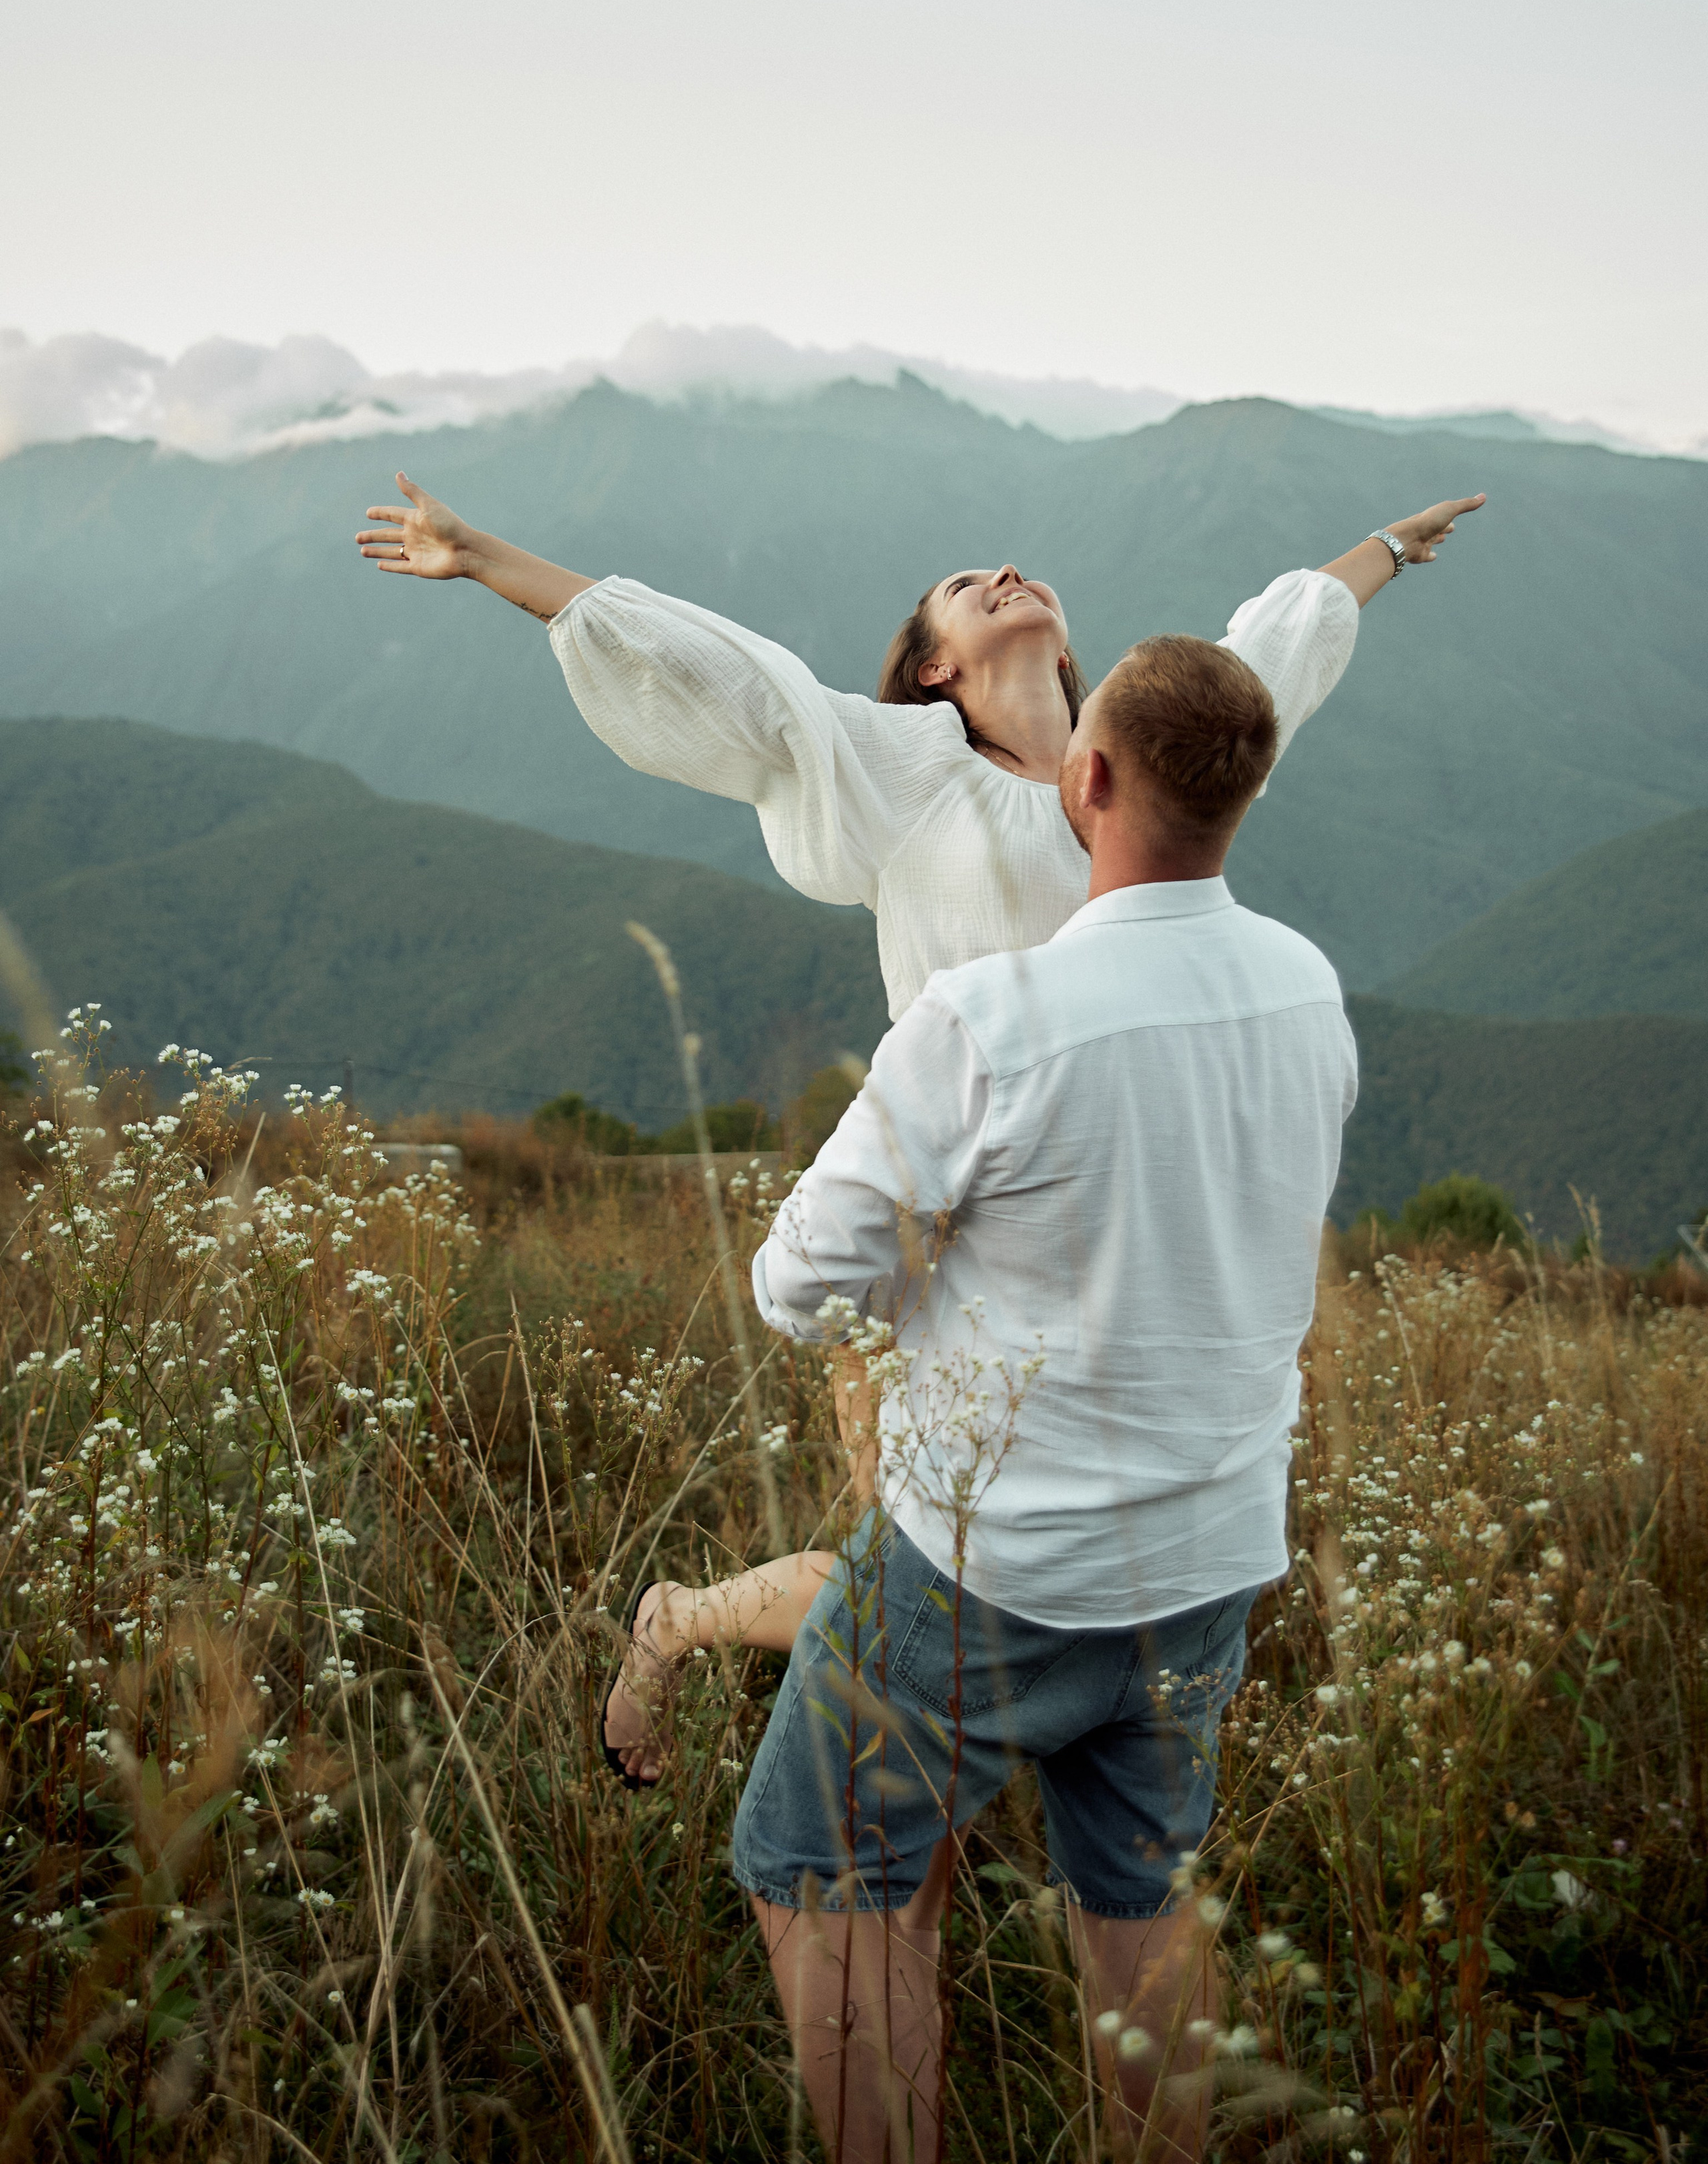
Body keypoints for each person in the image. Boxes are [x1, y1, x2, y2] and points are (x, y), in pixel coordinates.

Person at [354, 472, 1482, 1779]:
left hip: (1100, 1229)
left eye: (1012, 575)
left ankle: (815, 1702)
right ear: (935, 668)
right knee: (915, 1553)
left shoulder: (1130, 772)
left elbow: (1259, 660)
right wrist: (484, 555)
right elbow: (727, 675)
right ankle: (702, 1649)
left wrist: (1389, 549)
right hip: (928, 1215)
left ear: (1068, 653)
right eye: (961, 588)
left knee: (1022, 1559)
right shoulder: (904, 766)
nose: (1000, 569)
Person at [735, 632, 1356, 2161]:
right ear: (1246, 793)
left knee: (812, 1861)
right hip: (1209, 1550)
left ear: (1084, 777)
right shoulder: (1303, 985)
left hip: (990, 1564)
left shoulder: (986, 1022)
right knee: (1139, 1904)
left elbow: (793, 1282)